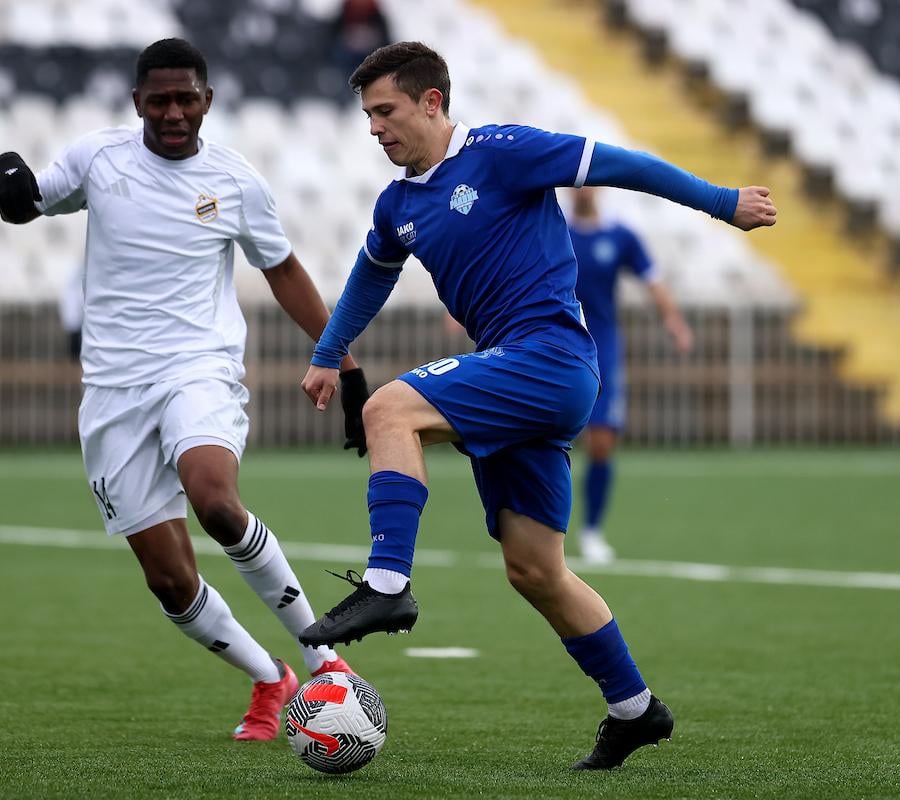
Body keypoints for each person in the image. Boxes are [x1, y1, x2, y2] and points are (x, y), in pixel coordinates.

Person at [296, 41, 776, 770]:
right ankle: (635, 709)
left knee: (390, 410)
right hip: (518, 374)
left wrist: (722, 202)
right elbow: (371, 274)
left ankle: (388, 584)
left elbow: (622, 164)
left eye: (385, 111)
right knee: (535, 570)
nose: (374, 128)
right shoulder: (398, 203)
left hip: (548, 357)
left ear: (432, 102)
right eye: (367, 115)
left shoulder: (503, 151)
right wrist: (329, 351)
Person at [0, 38, 369, 741]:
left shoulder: (236, 179)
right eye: (158, 100)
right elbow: (33, 200)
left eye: (185, 98)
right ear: (137, 102)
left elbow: (282, 269)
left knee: (215, 500)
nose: (172, 112)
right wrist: (11, 184)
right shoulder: (98, 160)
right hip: (112, 391)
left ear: (207, 101)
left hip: (200, 367)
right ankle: (270, 679)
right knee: (168, 579)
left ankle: (323, 660)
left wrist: (342, 361)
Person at [567, 186, 693, 565]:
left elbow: (652, 281)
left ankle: (591, 531)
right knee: (541, 439)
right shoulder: (554, 229)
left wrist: (674, 321)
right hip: (557, 342)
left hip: (602, 347)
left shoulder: (620, 236)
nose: (582, 189)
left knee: (602, 442)